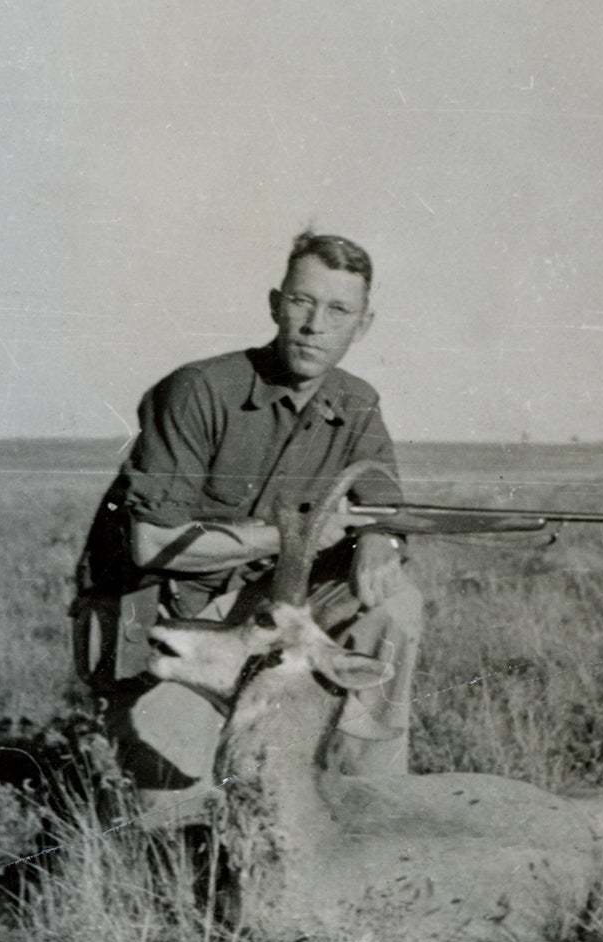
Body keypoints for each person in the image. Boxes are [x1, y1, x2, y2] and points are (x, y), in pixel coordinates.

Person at [72, 231, 423, 828]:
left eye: (338, 310)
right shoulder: (199, 392)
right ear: (274, 304)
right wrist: (294, 537)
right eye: (301, 302)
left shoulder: (356, 402)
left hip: (263, 622)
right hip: (166, 626)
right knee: (171, 821)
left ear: (362, 326)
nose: (315, 325)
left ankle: (371, 805)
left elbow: (383, 509)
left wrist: (377, 539)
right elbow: (151, 544)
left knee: (396, 603)